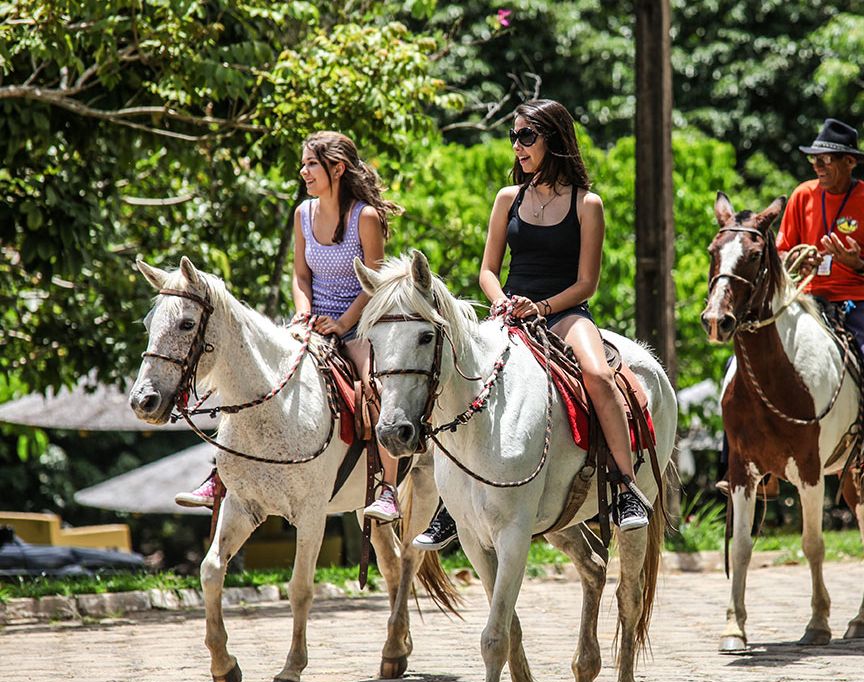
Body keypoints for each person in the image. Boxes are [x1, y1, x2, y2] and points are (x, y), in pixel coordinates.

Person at [413, 98, 652, 550]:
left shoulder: (588, 204)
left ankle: (625, 489)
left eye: (527, 137)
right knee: (452, 374)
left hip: (562, 312)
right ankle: (449, 503)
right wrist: (503, 301)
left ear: (554, 140)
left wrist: (540, 308)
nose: (517, 147)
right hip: (508, 311)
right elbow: (487, 270)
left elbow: (587, 283)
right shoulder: (508, 199)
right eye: (514, 137)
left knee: (599, 376)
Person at [176, 131, 406, 525]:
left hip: (360, 326)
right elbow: (300, 275)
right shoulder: (303, 214)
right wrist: (303, 315)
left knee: (376, 388)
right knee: (251, 378)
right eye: (303, 164)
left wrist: (344, 323)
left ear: (338, 168)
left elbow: (378, 281)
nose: (303, 172)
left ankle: (387, 488)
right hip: (311, 323)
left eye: (311, 164)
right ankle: (221, 474)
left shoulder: (364, 217)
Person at [774, 118, 864, 506]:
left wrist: (860, 264)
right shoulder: (802, 196)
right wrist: (799, 259)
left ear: (850, 162)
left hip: (854, 303)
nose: (818, 167)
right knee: (751, 352)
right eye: (814, 160)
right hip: (805, 300)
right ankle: (744, 460)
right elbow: (783, 251)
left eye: (827, 159)